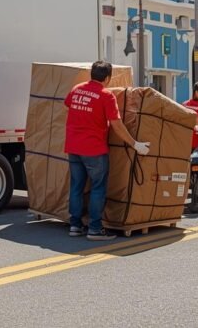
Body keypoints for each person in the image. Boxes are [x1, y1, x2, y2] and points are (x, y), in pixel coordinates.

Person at [64, 61, 151, 241]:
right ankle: (95, 229)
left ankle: (75, 225)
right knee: (97, 188)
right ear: (108, 78)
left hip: (73, 146)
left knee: (76, 186)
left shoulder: (77, 89)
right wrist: (135, 144)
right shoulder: (106, 95)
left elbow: (68, 105)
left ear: (91, 74)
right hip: (94, 149)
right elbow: (117, 124)